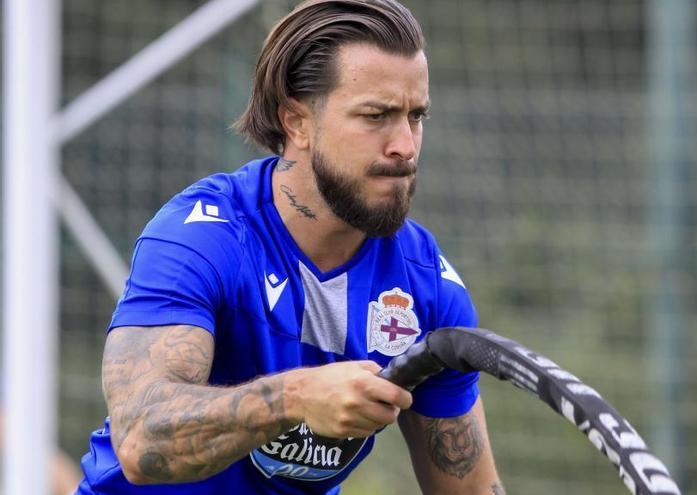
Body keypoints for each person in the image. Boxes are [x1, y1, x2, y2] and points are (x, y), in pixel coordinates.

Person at [75, 1, 504, 494]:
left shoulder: (427, 286)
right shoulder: (202, 236)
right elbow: (141, 440)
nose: (405, 145)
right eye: (376, 115)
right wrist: (296, 397)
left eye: (416, 116)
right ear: (296, 121)